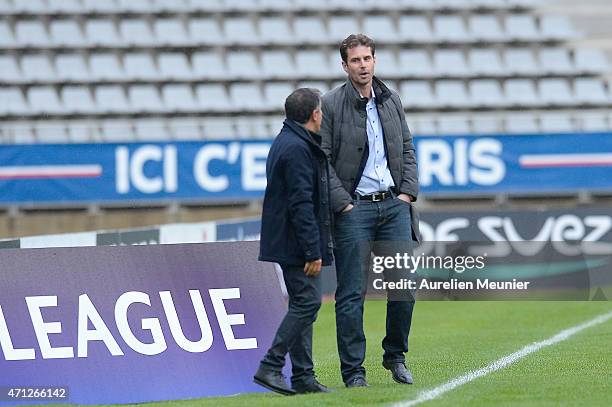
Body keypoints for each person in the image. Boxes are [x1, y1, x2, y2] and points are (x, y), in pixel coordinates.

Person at [320, 34, 420, 388]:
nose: (363, 65)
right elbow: (323, 160)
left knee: (403, 288)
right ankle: (353, 372)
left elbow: (407, 147)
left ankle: (395, 355)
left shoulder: (391, 100)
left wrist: (407, 194)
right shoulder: (330, 104)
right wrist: (343, 203)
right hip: (354, 211)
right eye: (356, 60)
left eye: (368, 59)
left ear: (374, 61)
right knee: (350, 294)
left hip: (394, 207)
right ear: (344, 66)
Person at [254, 88, 333, 395]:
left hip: (288, 241)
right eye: (321, 110)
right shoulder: (297, 149)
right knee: (309, 303)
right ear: (315, 114)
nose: (323, 115)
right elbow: (301, 204)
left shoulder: (288, 141)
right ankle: (270, 366)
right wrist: (312, 250)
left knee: (303, 303)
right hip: (295, 244)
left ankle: (303, 376)